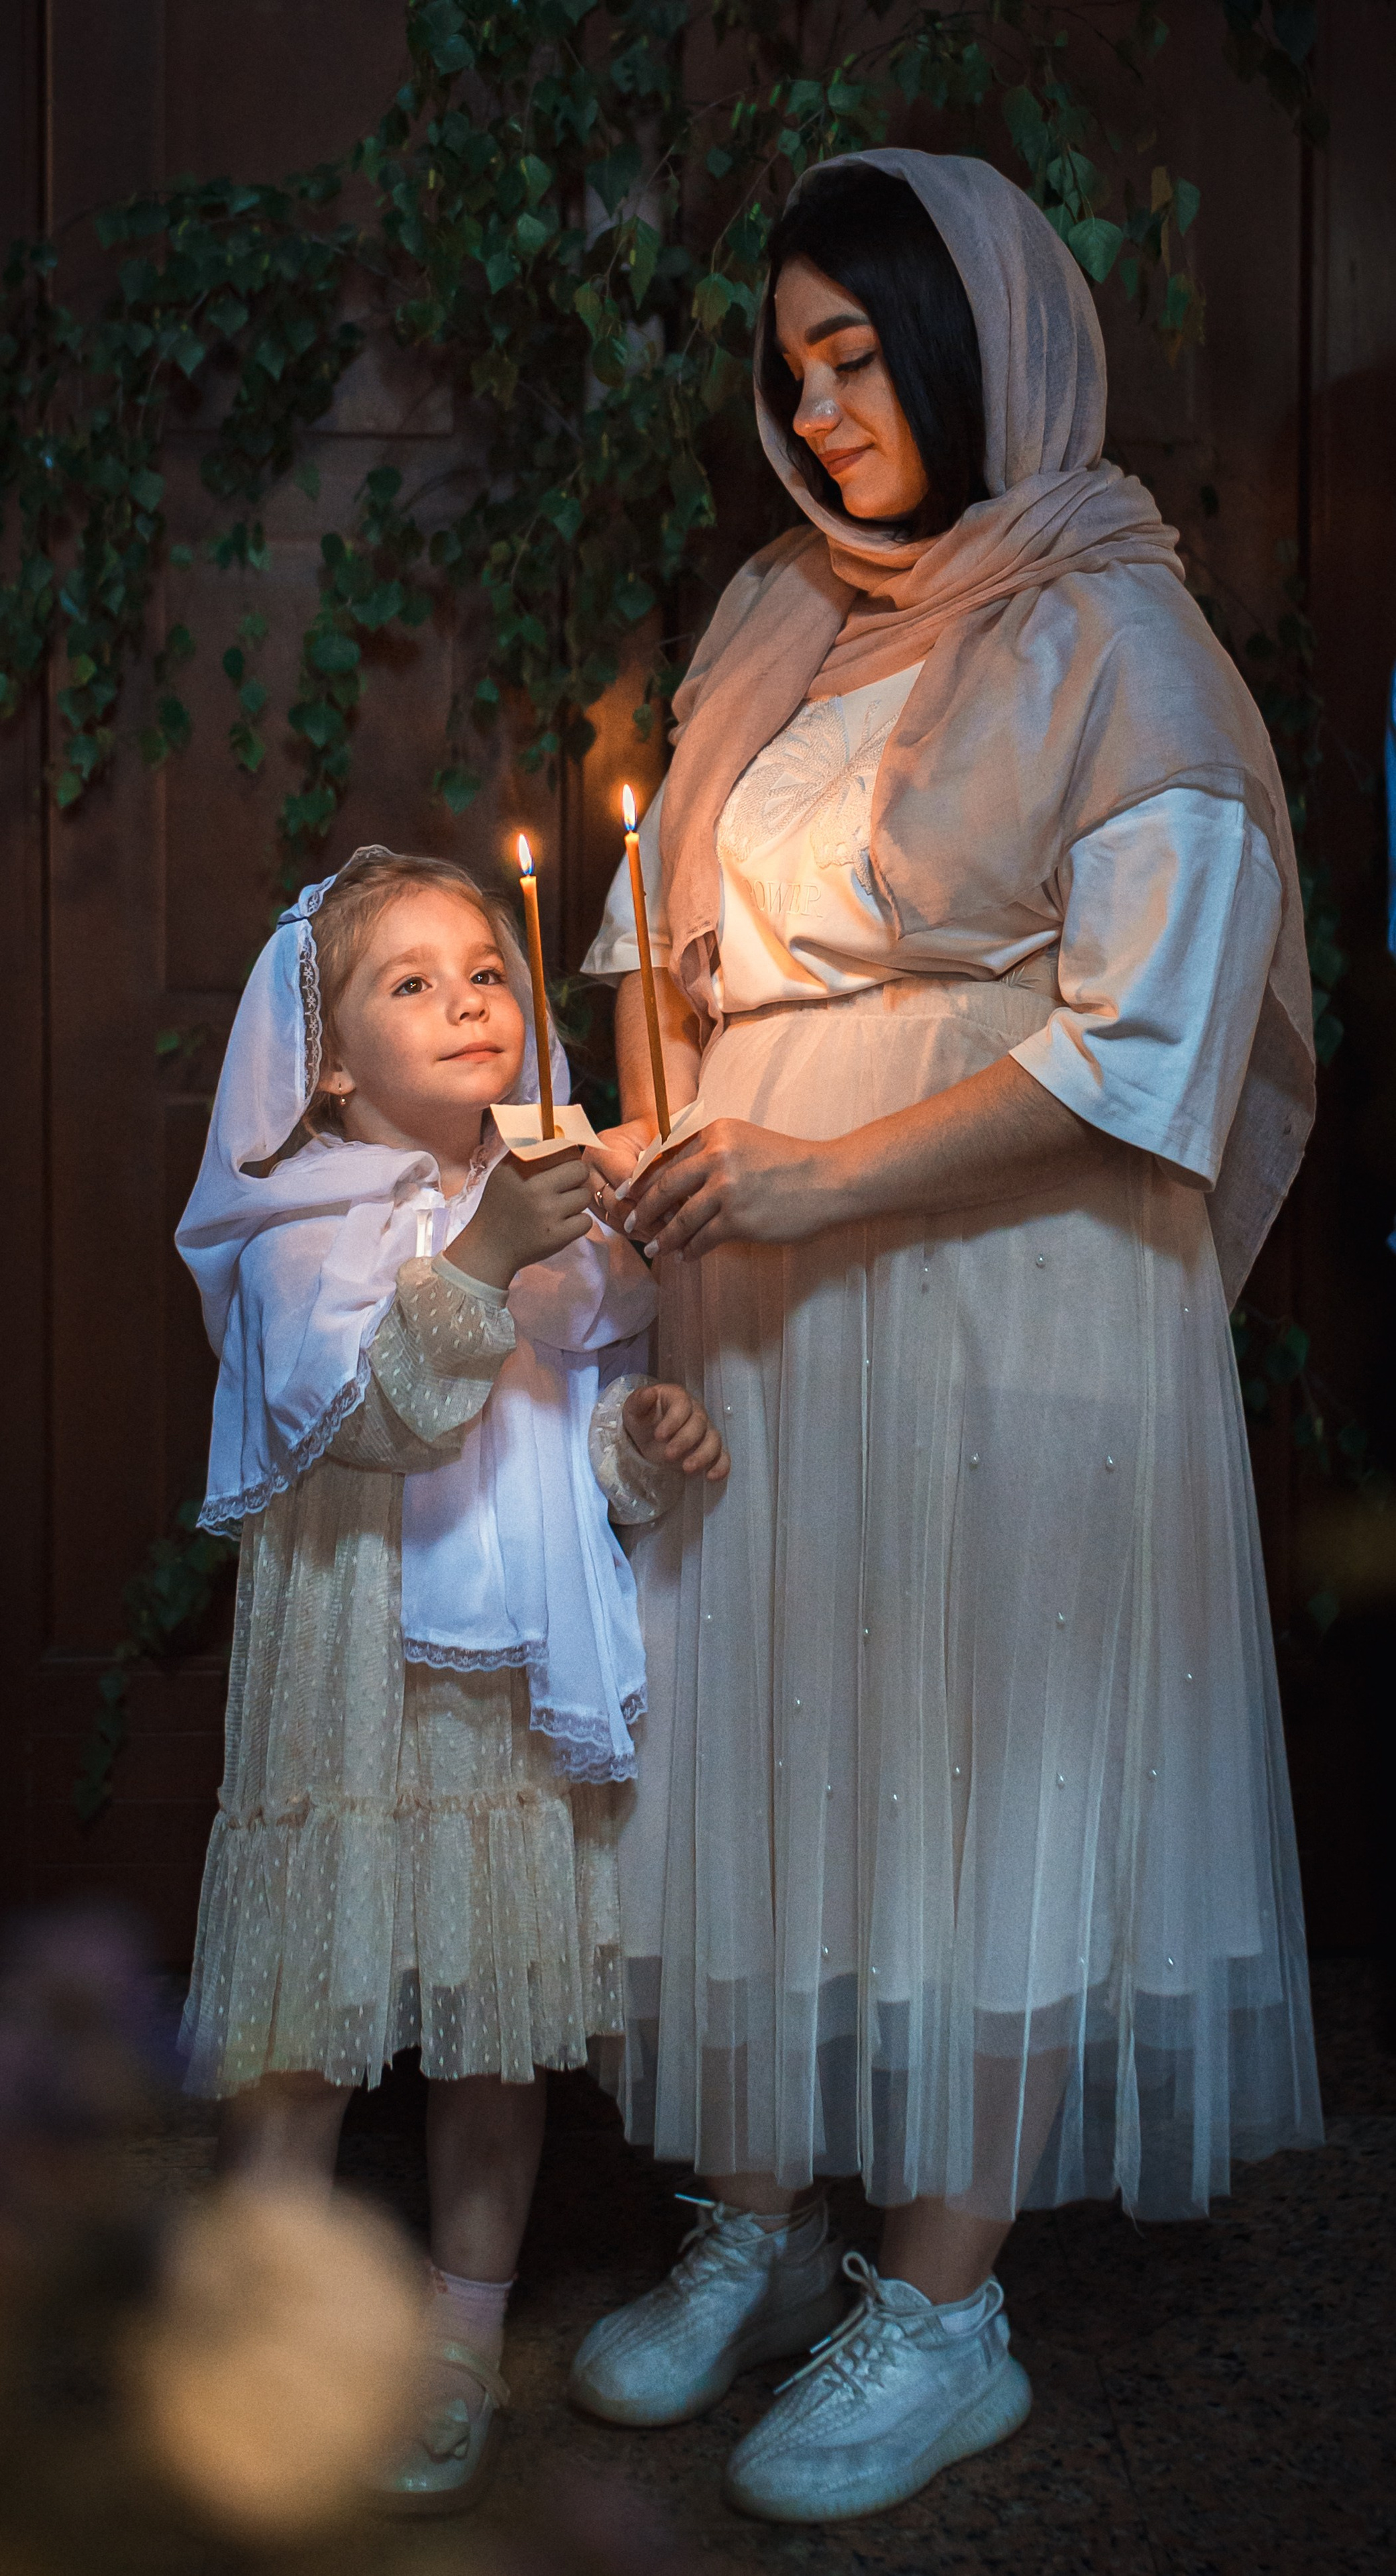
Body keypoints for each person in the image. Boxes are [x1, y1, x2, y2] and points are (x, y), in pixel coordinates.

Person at [570, 149, 1323, 2524]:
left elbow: (1146, 1041)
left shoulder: (1122, 635)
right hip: (765, 1288)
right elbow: (667, 945)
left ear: (978, 340)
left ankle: (946, 2300)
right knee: (764, 1741)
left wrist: (817, 1173)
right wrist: (664, 1146)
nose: (816, 409)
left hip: (1011, 1293)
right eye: (788, 368)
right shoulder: (773, 614)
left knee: (976, 1761)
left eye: (857, 353)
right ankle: (764, 2217)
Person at [174, 848, 728, 2513]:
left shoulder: (564, 1202)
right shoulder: (298, 1227)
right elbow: (381, 1418)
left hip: (502, 1704)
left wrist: (641, 1445)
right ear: (329, 1063)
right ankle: (263, 2327)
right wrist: (481, 1253)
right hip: (351, 1674)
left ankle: (462, 2332)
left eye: (484, 969)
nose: (465, 1000)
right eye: (406, 983)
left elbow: (563, 1457)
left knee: (495, 2028)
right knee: (301, 2031)